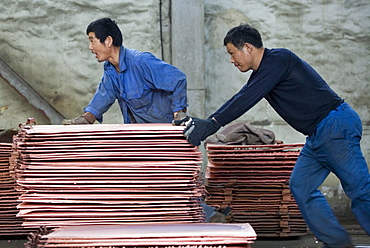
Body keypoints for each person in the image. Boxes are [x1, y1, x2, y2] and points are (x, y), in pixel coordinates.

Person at [175, 24, 370, 247]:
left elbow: (247, 98)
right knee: (301, 187)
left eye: (232, 53)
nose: (231, 60)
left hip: (335, 125)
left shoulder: (279, 59)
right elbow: (242, 95)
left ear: (247, 47)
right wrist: (208, 123)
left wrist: (211, 124)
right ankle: (337, 243)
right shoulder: (264, 74)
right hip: (318, 135)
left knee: (360, 191)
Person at [63, 17, 187, 125]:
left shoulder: (141, 61)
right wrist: (87, 118)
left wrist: (178, 113)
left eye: (92, 41)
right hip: (141, 136)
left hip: (165, 134)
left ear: (108, 41)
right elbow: (104, 95)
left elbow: (178, 79)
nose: (90, 47)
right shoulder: (110, 69)